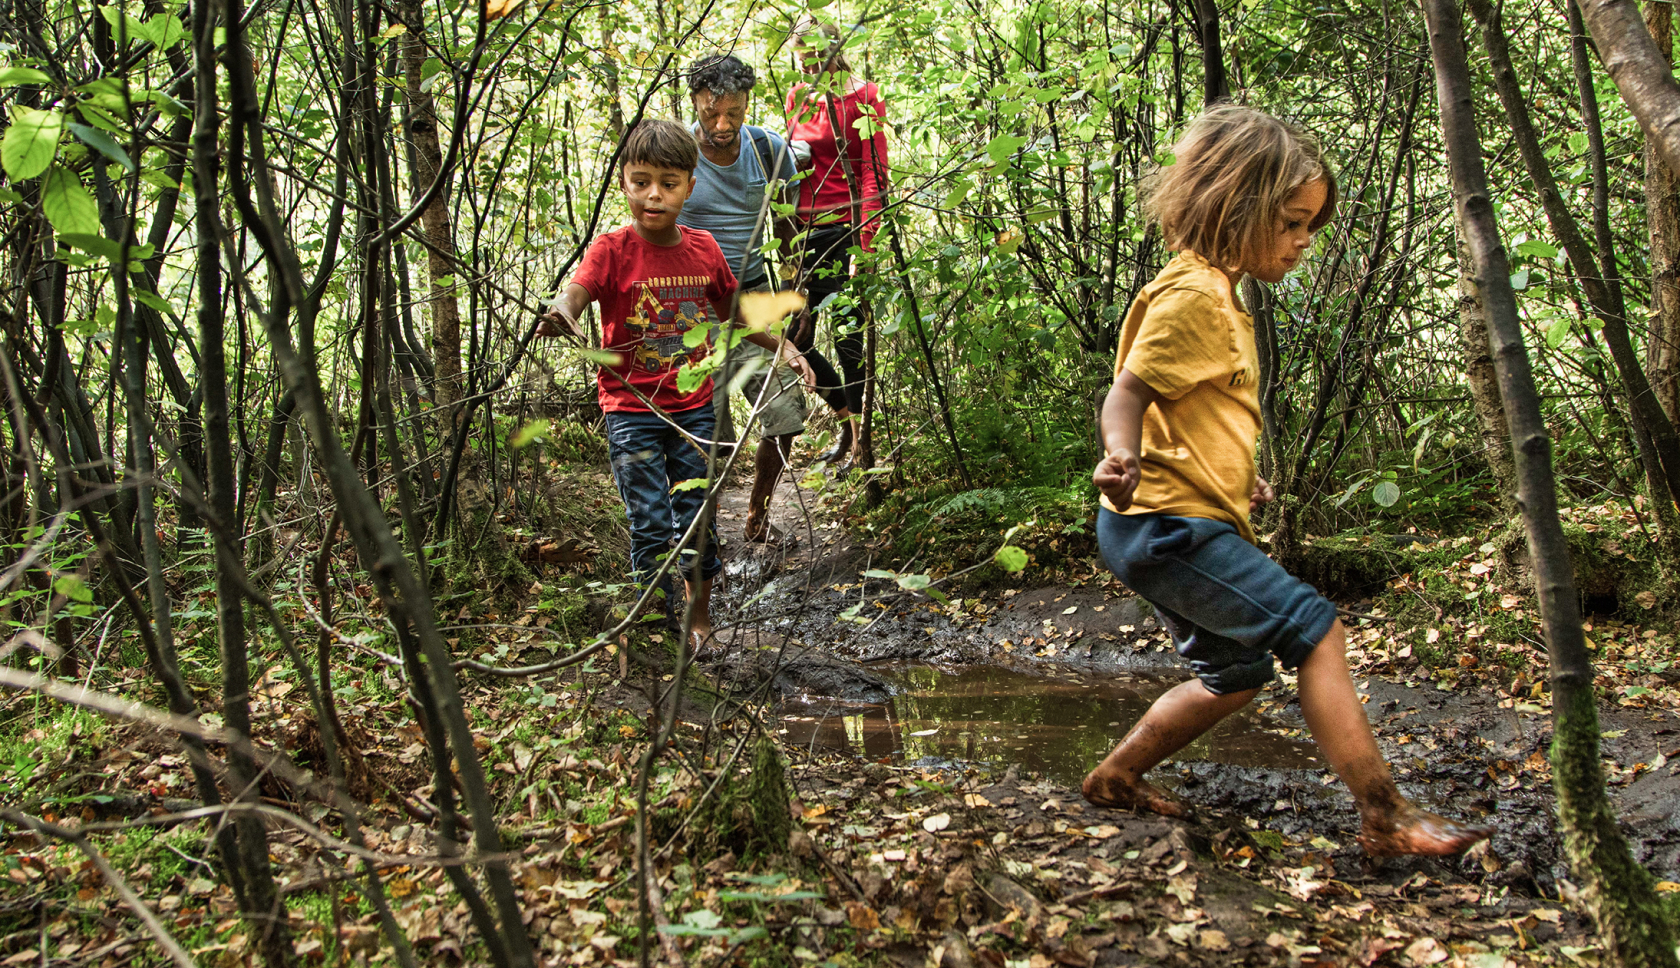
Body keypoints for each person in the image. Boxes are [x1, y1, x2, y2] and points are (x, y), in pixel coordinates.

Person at [1083, 105, 1492, 857]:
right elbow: (1127, 394)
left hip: (1173, 518)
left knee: (1233, 675)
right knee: (1316, 630)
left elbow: (1193, 413)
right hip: (1163, 523)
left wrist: (1239, 481)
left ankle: (1115, 777)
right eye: (1293, 223)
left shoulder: (1214, 294)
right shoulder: (1194, 299)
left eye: (1312, 226)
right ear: (1236, 208)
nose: (1304, 242)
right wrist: (1121, 458)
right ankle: (1385, 814)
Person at [538, 119, 812, 652]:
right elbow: (576, 292)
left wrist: (784, 346)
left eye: (668, 182)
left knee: (697, 516)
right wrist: (561, 312)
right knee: (648, 520)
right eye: (641, 182)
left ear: (690, 185)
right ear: (624, 183)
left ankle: (699, 617)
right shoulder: (611, 250)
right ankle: (650, 622)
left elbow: (735, 313)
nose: (653, 195)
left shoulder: (704, 250)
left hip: (694, 408)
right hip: (630, 407)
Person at [678, 53, 806, 545]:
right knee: (704, 433)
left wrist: (797, 299)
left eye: (734, 111)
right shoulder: (678, 152)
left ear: (748, 102)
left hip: (754, 297)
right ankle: (701, 542)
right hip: (691, 306)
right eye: (712, 113)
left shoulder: (769, 149)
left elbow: (789, 228)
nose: (723, 124)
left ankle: (757, 514)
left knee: (784, 412)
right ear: (695, 103)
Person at [784, 20, 889, 469]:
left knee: (848, 341)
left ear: (835, 47)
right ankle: (845, 419)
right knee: (793, 337)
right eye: (800, 54)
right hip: (801, 235)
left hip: (845, 232)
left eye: (814, 53)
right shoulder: (797, 97)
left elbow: (874, 173)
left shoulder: (864, 96)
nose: (807, 62)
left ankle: (859, 443)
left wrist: (864, 246)